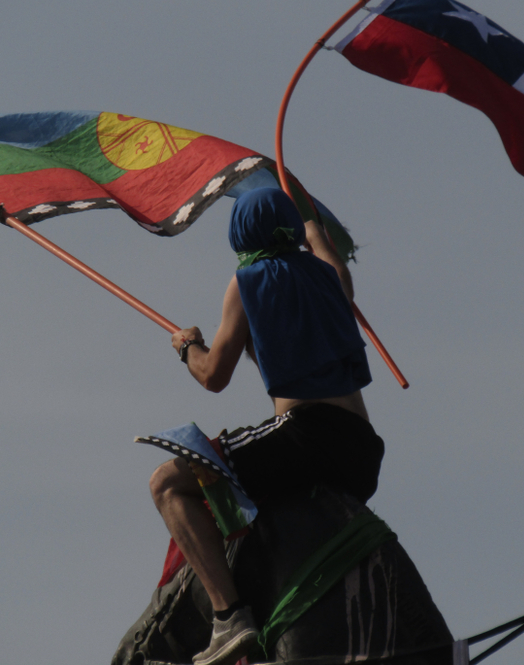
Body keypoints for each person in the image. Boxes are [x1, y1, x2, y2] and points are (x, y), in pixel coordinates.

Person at [149, 188, 384, 665]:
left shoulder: (247, 280)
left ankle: (228, 616)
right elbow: (327, 253)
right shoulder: (330, 275)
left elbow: (214, 375)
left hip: (306, 434)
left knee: (169, 483)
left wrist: (186, 346)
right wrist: (312, 226)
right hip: (362, 452)